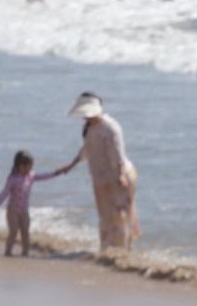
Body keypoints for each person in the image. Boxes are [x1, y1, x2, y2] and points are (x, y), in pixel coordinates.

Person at [55, 92, 139, 252]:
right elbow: (87, 149)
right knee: (106, 217)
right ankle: (107, 250)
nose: (85, 117)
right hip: (101, 179)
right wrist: (71, 165)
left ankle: (123, 253)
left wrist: (121, 175)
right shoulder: (89, 128)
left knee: (121, 216)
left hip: (118, 176)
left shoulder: (111, 127)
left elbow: (117, 153)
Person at [0, 150, 63, 257]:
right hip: (12, 210)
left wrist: (56, 173)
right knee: (13, 231)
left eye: (31, 167)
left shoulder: (31, 176)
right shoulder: (13, 179)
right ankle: (8, 252)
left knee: (25, 232)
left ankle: (25, 253)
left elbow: (43, 176)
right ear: (20, 166)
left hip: (24, 211)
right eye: (27, 166)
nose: (29, 169)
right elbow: (5, 192)